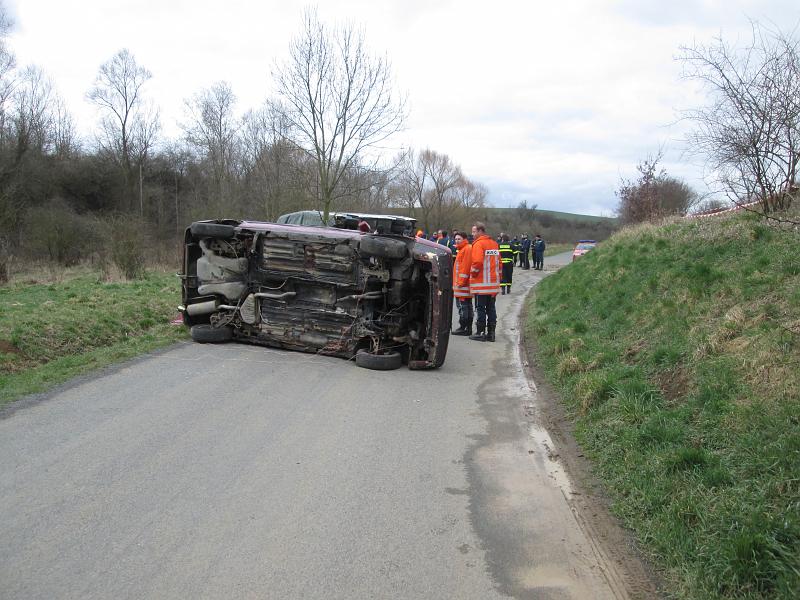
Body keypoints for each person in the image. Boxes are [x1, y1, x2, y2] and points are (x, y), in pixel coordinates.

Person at [468, 222, 501, 342]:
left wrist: (473, 274)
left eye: (474, 231)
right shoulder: (494, 244)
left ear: (480, 231)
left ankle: (480, 332)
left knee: (480, 308)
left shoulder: (478, 244)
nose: (472, 234)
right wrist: (498, 279)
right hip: (493, 284)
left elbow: (477, 262)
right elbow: (499, 264)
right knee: (491, 308)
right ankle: (491, 334)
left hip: (482, 284)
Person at [451, 231, 473, 335]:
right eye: (455, 239)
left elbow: (465, 267)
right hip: (461, 284)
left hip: (462, 285)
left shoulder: (466, 249)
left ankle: (464, 327)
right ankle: (466, 327)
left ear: (464, 239)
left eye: (459, 239)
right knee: (466, 306)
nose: (457, 241)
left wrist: (461, 282)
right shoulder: (462, 249)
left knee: (463, 306)